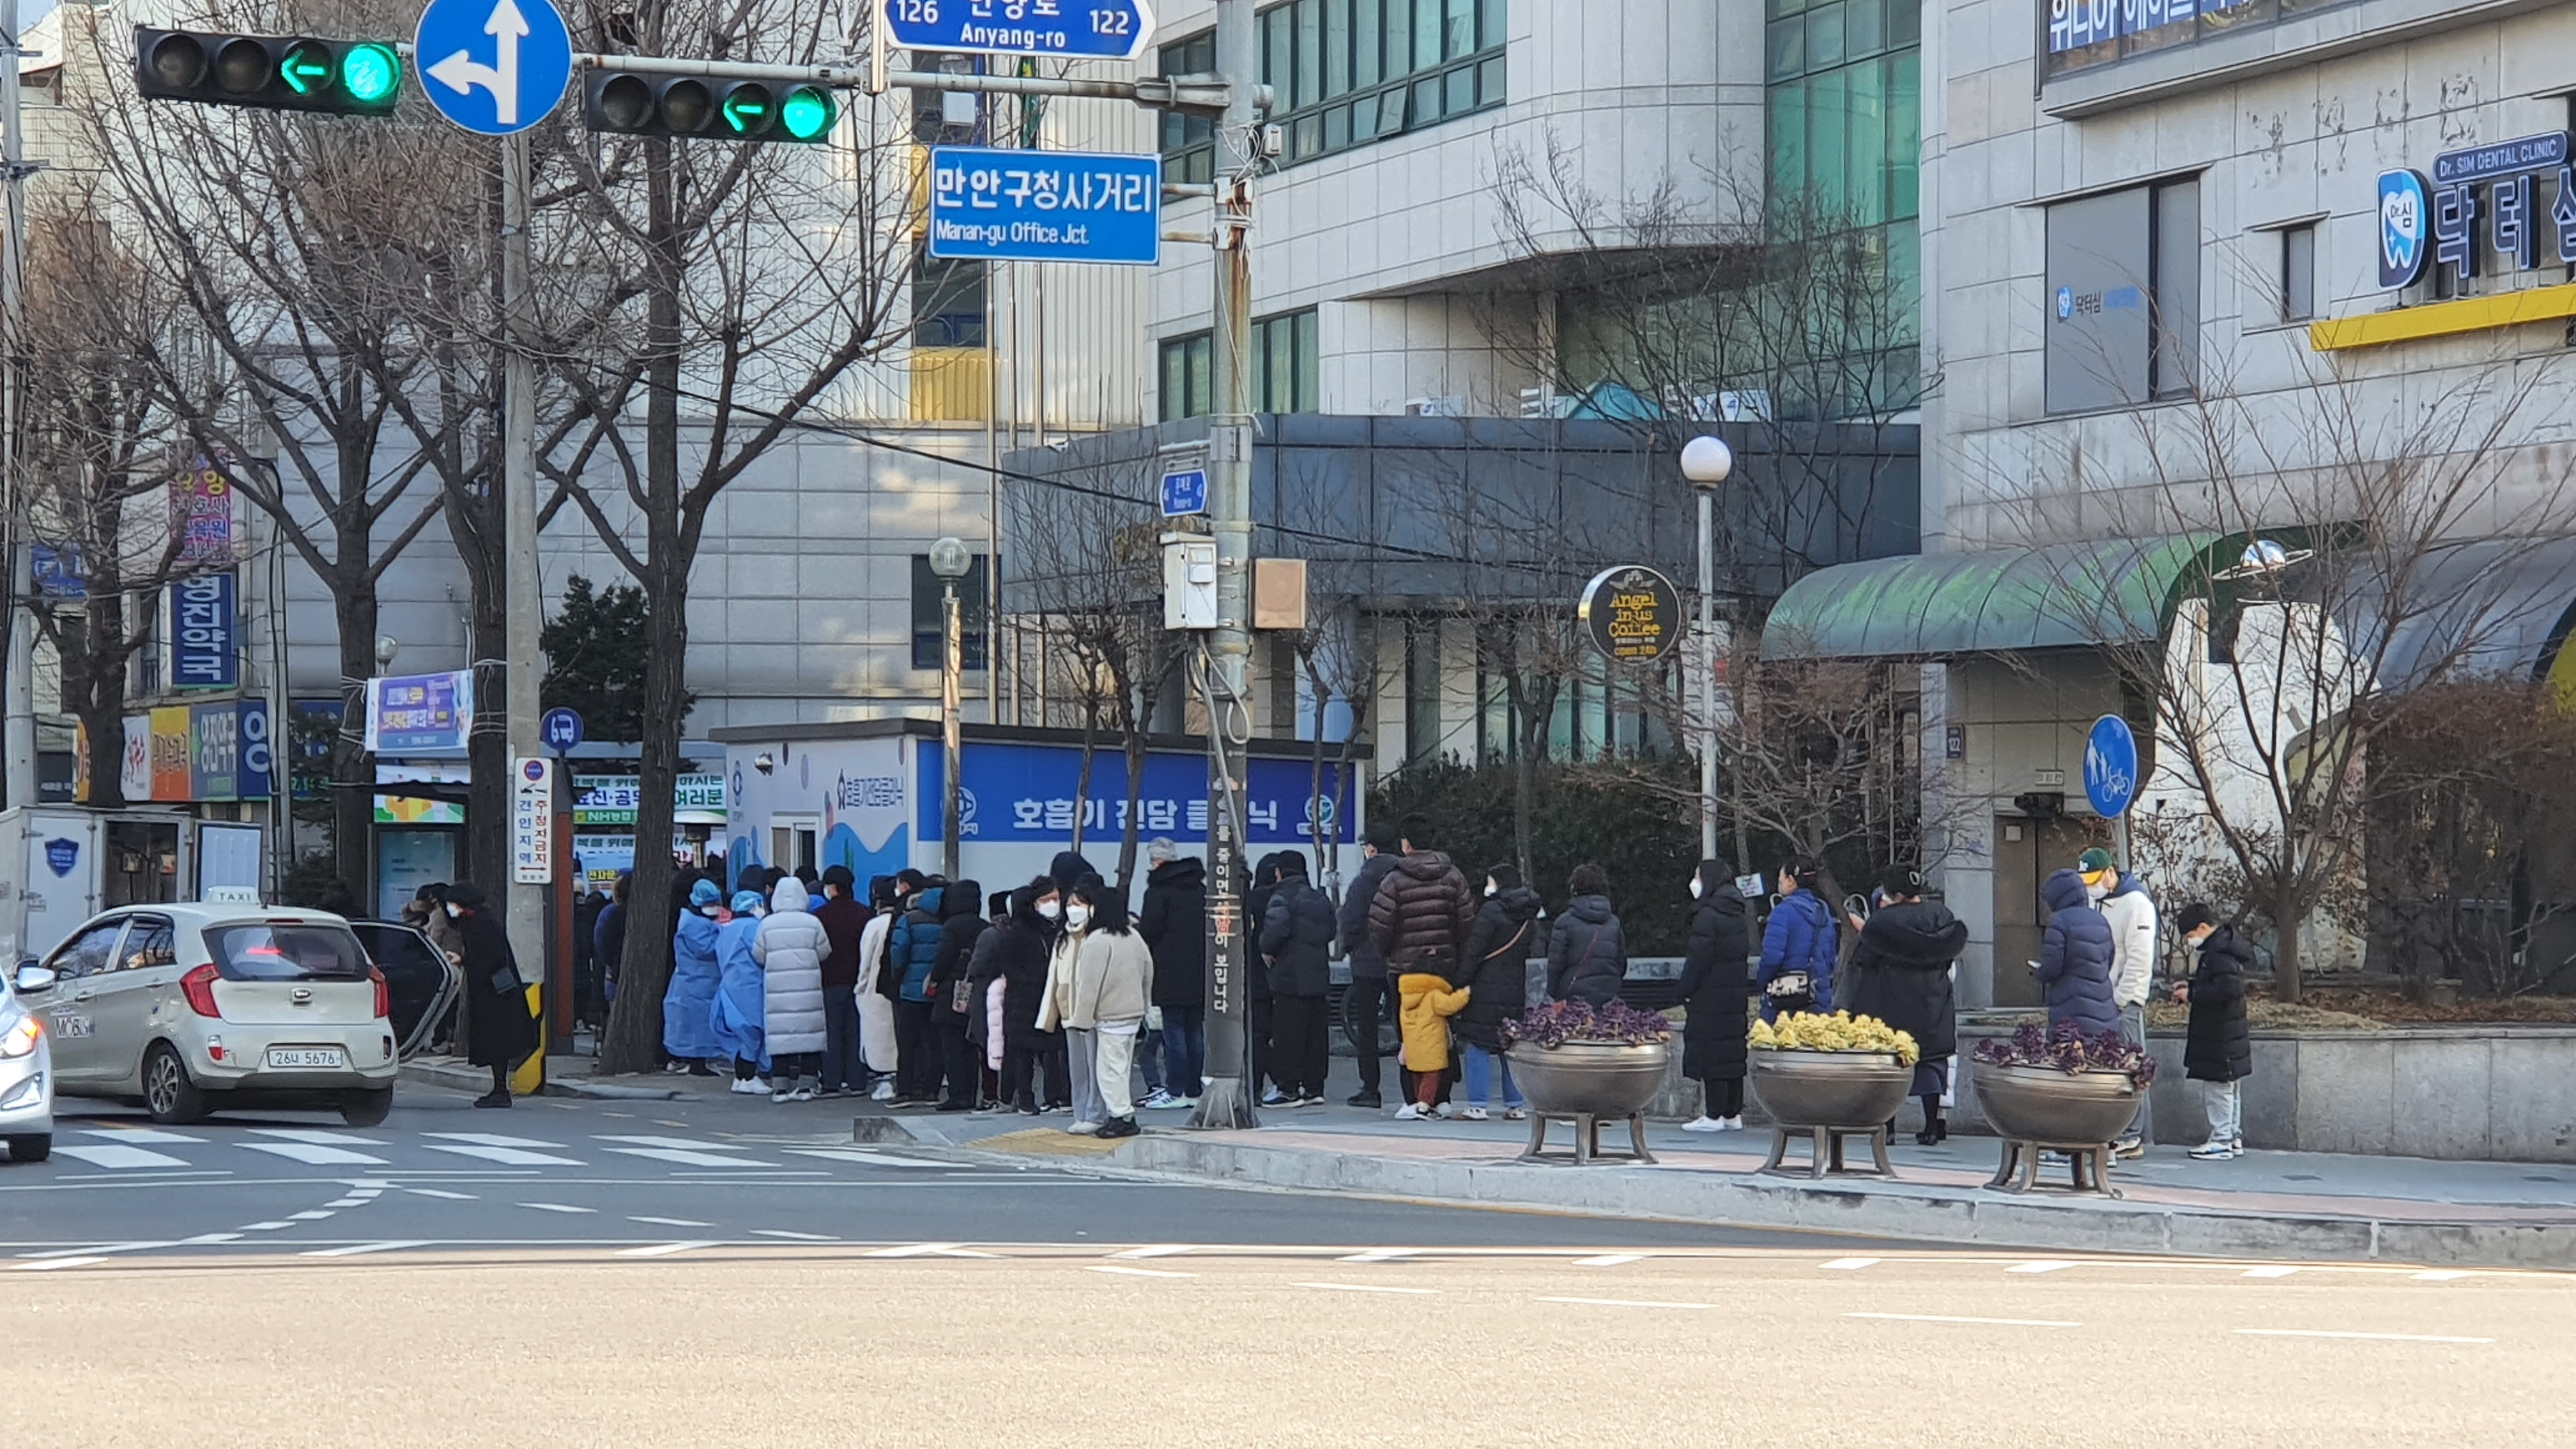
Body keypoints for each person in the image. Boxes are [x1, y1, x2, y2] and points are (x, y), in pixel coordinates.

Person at [1843, 864, 1970, 1144]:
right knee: (1932, 1064)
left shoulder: (1882, 923)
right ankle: (1931, 1127)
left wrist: (1863, 931)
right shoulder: (1941, 917)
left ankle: (1888, 1129)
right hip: (1933, 1005)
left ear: (1893, 892)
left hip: (1891, 1004)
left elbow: (1865, 960)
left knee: (1891, 1066)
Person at [2082, 847, 2161, 1158]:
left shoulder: (2137, 904)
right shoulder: (2095, 901)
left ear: (2111, 872)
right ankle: (2117, 1132)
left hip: (2123, 1001)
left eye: (2095, 880)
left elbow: (2139, 959)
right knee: (2111, 1067)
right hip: (2101, 998)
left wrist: (2123, 998)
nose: (2091, 887)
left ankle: (2132, 1135)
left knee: (2130, 1067)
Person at [1070, 879, 1154, 1138]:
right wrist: (1144, 1004)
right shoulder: (1134, 937)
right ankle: (1121, 1113)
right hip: (1132, 1014)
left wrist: (1082, 1020)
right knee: (1122, 1067)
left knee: (1109, 1071)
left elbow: (1089, 985)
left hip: (1110, 1016)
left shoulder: (1097, 940)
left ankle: (1122, 1116)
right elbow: (1148, 971)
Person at [1457, 864, 1540, 1121]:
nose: (1488, 885)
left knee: (1478, 1043)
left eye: (1490, 880)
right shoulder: (1529, 913)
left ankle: (1477, 1105)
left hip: (1485, 985)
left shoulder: (1491, 911)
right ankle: (1516, 1105)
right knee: (1509, 1044)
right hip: (1514, 986)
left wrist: (1460, 980)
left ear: (1500, 883)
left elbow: (1476, 950)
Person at [1676, 859, 1752, 1133]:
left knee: (1712, 1053)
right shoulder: (1736, 912)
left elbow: (1698, 958)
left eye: (1697, 876)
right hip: (1734, 994)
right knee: (1731, 1052)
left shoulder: (1708, 915)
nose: (1694, 882)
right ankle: (1733, 1112)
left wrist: (1684, 990)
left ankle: (1714, 1114)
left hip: (1709, 995)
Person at [2172, 904, 2252, 1160]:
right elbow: (2222, 984)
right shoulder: (2224, 948)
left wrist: (2192, 994)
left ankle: (2221, 1140)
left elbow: (2227, 989)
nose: (2189, 941)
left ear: (2203, 928)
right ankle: (2233, 1137)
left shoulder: (2218, 953)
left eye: (2190, 935)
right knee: (2229, 1088)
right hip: (2228, 1032)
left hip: (2220, 1034)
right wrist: (2193, 987)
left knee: (2219, 1089)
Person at [445, 883, 535, 1108]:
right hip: (493, 991)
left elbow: (491, 956)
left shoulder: (481, 923)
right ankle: (499, 1088)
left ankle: (500, 1090)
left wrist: (465, 960)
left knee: (497, 1040)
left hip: (495, 993)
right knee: (497, 1041)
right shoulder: (478, 920)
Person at [1259, 853, 1336, 1108]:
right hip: (1318, 976)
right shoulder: (1320, 899)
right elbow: (1331, 931)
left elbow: (1274, 934)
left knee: (1288, 1035)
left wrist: (1266, 948)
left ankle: (1288, 1089)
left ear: (1279, 872)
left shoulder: (1282, 898)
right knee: (1316, 1036)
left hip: (1289, 978)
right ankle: (1315, 1088)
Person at [1335, 823, 1403, 1108]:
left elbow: (1350, 921)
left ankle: (1370, 1089)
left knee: (1367, 1028)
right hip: (1402, 962)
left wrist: (1347, 948)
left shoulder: (1363, 882)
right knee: (1408, 1025)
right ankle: (1414, 1090)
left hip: (1367, 963)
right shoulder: (1405, 877)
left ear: (1372, 850)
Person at [1137, 838, 1208, 1111]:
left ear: (1157, 861)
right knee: (1195, 1031)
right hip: (1199, 970)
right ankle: (1194, 1089)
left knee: (1174, 1032)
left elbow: (1150, 932)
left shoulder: (1158, 892)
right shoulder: (1201, 890)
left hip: (1168, 972)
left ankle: (1176, 1089)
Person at [985, 878, 1065, 1113]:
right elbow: (1009, 965)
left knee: (1048, 1050)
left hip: (1044, 998)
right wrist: (1033, 979)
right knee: (1024, 1052)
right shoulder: (1020, 932)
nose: (1053, 904)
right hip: (1024, 999)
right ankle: (1028, 1100)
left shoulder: (1053, 930)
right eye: (1047, 900)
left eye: (1055, 899)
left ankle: (1052, 1098)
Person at [754, 875, 829, 1103]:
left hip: (778, 992)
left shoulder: (767, 924)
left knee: (781, 1037)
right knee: (809, 1037)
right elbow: (825, 951)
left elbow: (758, 954)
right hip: (808, 989)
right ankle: (806, 1087)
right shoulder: (813, 922)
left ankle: (780, 1088)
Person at [1036, 877, 1103, 1131]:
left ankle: (1096, 1114)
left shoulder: (1097, 936)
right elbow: (1053, 978)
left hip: (1094, 1012)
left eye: (1079, 904)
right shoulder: (1063, 938)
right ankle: (1081, 1112)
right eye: (1071, 904)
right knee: (1077, 1068)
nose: (1074, 909)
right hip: (1069, 1011)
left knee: (1096, 1066)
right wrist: (1048, 1016)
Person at [887, 878, 950, 1107]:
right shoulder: (946, 921)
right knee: (936, 1043)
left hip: (911, 991)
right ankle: (931, 1090)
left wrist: (899, 975)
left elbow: (899, 951)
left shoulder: (909, 920)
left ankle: (905, 1090)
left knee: (908, 1043)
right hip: (936, 989)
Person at [928, 880, 989, 1112]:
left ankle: (957, 1094)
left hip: (950, 993)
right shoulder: (983, 925)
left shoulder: (951, 926)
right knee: (970, 1046)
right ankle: (971, 1093)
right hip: (976, 990)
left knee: (951, 1047)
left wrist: (935, 978)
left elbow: (943, 957)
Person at [2037, 867, 2119, 1038]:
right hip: (2104, 1009)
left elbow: (2053, 966)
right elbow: (2109, 959)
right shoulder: (2100, 919)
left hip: (2071, 1009)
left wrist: (2040, 973)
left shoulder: (2059, 922)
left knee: (2071, 1051)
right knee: (2101, 1051)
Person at [812, 867, 871, 1098]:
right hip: (858, 980)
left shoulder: (821, 916)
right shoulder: (864, 913)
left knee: (832, 1032)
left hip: (830, 980)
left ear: (833, 888)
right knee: (856, 1031)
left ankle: (832, 1082)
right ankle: (857, 1081)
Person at [1758, 858, 1838, 1020]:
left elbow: (1772, 957)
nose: (1780, 883)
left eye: (1781, 879)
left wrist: (1762, 982)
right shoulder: (1822, 910)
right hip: (1818, 995)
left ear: (1791, 881)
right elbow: (1830, 955)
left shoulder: (1782, 912)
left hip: (1786, 997)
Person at [710, 889, 772, 1094]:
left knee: (740, 1035)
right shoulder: (752, 927)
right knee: (752, 1033)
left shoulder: (726, 929)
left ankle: (740, 1077)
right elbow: (761, 954)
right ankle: (749, 1077)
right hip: (749, 987)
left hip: (729, 987)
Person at [663, 878, 726, 1075]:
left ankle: (697, 1060)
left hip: (700, 981)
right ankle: (698, 1063)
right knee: (698, 1026)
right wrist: (724, 932)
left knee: (696, 1024)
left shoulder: (695, 920)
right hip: (697, 982)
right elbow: (706, 949)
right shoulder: (693, 924)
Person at [1245, 850, 1293, 1106]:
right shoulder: (1287, 896)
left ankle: (1255, 1086)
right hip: (1285, 973)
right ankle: (1284, 1080)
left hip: (1256, 973)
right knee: (1283, 1032)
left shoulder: (1253, 899)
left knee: (1258, 1034)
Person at [1395, 963, 1471, 1122]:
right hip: (1432, 1046)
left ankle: (1418, 1101)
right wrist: (1464, 994)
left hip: (1413, 1046)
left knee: (1417, 1075)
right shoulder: (1433, 995)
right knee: (1432, 1076)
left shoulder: (1407, 997)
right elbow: (1450, 1005)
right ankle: (1424, 1105)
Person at [1547, 863, 1629, 1008]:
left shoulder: (1564, 922)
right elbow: (1621, 963)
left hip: (1573, 998)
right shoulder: (1614, 923)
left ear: (1574, 889)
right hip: (1608, 997)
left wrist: (1554, 993)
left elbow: (1556, 965)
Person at [857, 875, 902, 1098]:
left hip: (875, 988)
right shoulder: (903, 920)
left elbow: (865, 961)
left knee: (879, 1038)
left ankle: (885, 1081)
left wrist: (860, 987)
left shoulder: (874, 925)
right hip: (898, 987)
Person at [592, 874, 631, 1026]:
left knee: (615, 1018)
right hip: (618, 971)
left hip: (614, 973)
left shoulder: (610, 913)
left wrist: (611, 965)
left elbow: (602, 943)